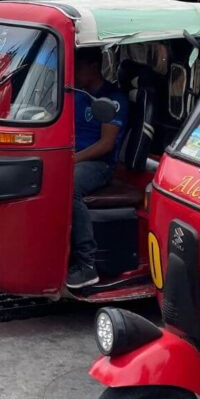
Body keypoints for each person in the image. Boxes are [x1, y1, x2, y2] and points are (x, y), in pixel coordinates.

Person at [67, 48, 129, 289]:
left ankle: (87, 264)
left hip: (98, 164)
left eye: (78, 66)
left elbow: (106, 144)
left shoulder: (113, 100)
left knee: (70, 187)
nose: (74, 72)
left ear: (94, 66)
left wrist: (74, 159)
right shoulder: (77, 94)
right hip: (71, 156)